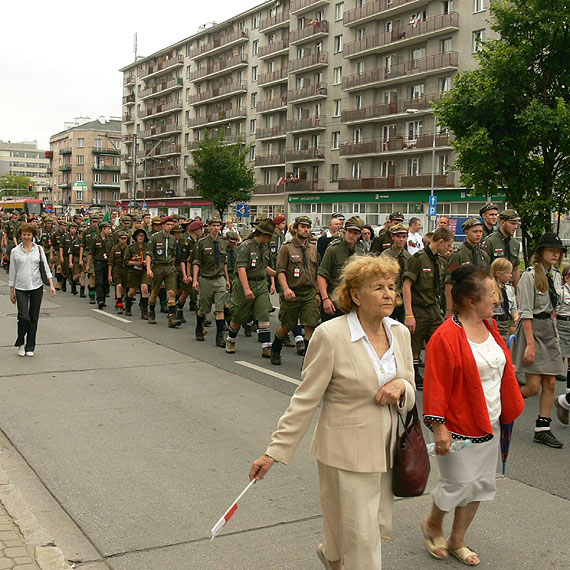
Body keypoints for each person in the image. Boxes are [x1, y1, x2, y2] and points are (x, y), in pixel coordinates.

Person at [249, 255, 416, 570]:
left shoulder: (399, 333)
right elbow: (305, 399)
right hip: (344, 450)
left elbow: (409, 385)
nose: (388, 294)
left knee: (366, 524)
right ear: (354, 295)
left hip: (388, 448)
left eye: (391, 287)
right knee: (363, 535)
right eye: (378, 287)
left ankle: (332, 555)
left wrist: (401, 389)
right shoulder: (331, 335)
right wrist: (274, 452)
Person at [422, 266, 524, 566]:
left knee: (479, 484)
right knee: (457, 483)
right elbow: (435, 385)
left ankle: (458, 539)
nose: (496, 299)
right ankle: (432, 523)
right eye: (491, 294)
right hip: (457, 425)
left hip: (490, 422)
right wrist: (438, 427)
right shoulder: (446, 335)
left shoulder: (490, 326)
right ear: (469, 299)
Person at [512, 232, 566, 448]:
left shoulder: (556, 275)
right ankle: (499, 405)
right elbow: (525, 311)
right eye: (551, 250)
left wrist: (557, 331)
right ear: (541, 252)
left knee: (551, 382)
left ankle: (542, 428)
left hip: (549, 328)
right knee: (533, 386)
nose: (555, 254)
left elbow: (556, 306)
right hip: (531, 328)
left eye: (558, 251)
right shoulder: (530, 276)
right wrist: (531, 344)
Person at [402, 227, 454, 388]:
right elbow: (406, 286)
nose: (449, 249)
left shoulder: (439, 261)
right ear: (441, 242)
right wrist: (409, 314)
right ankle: (414, 375)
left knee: (440, 342)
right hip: (418, 308)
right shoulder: (418, 258)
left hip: (433, 308)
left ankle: (437, 374)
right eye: (449, 245)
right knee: (415, 345)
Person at [269, 216, 320, 365]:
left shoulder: (313, 249)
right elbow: (281, 271)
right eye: (303, 227)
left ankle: (307, 360)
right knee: (287, 325)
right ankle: (276, 348)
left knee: (310, 324)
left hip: (309, 292)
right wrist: (285, 289)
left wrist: (317, 293)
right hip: (292, 292)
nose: (306, 230)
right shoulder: (287, 247)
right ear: (296, 228)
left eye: (308, 227)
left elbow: (316, 273)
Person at [226, 218, 276, 356]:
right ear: (262, 234)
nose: (270, 239)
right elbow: (241, 269)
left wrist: (277, 274)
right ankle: (231, 340)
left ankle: (266, 347)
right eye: (269, 235)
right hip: (245, 284)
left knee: (263, 313)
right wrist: (247, 289)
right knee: (238, 316)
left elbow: (264, 267)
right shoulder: (246, 246)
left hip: (261, 284)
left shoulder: (264, 247)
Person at [8, 223, 56, 357]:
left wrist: (51, 285)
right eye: (24, 234)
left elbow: (46, 268)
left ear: (33, 236)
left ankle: (30, 346)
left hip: (36, 286)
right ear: (21, 235)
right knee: (24, 317)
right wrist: (12, 291)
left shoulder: (39, 250)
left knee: (33, 317)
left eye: (29, 234)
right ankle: (20, 342)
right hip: (20, 287)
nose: (26, 237)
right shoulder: (15, 251)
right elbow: (12, 272)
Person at [192, 215, 230, 345]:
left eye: (218, 226)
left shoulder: (223, 242)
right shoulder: (202, 243)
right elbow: (196, 262)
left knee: (220, 309)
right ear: (208, 227)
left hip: (219, 278)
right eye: (213, 225)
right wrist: (195, 280)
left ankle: (219, 337)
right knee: (203, 309)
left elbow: (225, 263)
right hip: (206, 279)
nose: (215, 228)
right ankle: (198, 327)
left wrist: (227, 279)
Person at [317, 216, 365, 322]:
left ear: (359, 235)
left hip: (353, 300)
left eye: (355, 233)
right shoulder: (333, 249)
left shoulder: (360, 251)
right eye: (350, 231)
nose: (351, 235)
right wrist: (325, 299)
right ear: (344, 231)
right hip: (334, 299)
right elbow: (322, 275)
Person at [444, 218, 490, 318]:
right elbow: (449, 284)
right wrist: (449, 309)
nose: (478, 234)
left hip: (480, 303)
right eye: (475, 231)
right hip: (463, 303)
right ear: (466, 232)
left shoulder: (483, 255)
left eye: (480, 231)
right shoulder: (458, 255)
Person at [145, 216, 180, 328]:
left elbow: (173, 254)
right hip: (157, 267)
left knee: (171, 292)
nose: (170, 227)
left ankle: (172, 317)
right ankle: (151, 312)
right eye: (168, 225)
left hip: (169, 267)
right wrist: (149, 269)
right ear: (163, 225)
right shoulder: (155, 238)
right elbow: (149, 254)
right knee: (155, 292)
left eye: (171, 225)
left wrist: (172, 267)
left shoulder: (173, 238)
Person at [483, 209, 522, 287]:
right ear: (503, 223)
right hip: (494, 286)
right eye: (512, 223)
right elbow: (484, 269)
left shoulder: (515, 243)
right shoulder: (490, 242)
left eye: (517, 224)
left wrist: (516, 293)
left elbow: (515, 269)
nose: (515, 227)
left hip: (509, 287)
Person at [381, 223, 411, 323]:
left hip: (404, 298)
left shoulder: (409, 257)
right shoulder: (385, 256)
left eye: (404, 236)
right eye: (398, 236)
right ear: (392, 237)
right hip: (389, 296)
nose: (401, 239)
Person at [86, 222, 114, 310]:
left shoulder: (110, 240)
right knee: (99, 281)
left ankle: (103, 299)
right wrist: (88, 264)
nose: (109, 231)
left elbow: (112, 252)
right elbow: (91, 253)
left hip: (107, 262)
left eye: (109, 229)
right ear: (102, 229)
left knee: (106, 282)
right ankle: (100, 300)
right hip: (98, 262)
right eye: (107, 229)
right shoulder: (95, 239)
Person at [554, 265, 570, 425]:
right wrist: (556, 329)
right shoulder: (561, 292)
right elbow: (555, 310)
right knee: (562, 357)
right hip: (562, 325)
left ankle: (567, 393)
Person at [490, 258, 519, 343]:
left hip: (505, 324)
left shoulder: (509, 288)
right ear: (499, 273)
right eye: (508, 273)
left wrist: (516, 318)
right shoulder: (490, 287)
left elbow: (513, 308)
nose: (511, 275)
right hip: (494, 323)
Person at [124, 228, 150, 319]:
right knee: (132, 291)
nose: (140, 237)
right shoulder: (131, 248)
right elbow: (126, 261)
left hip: (144, 270)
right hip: (133, 271)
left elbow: (152, 259)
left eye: (142, 236)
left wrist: (147, 263)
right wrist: (137, 263)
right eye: (139, 235)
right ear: (135, 237)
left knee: (144, 288)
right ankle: (128, 306)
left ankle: (144, 311)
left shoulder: (148, 247)